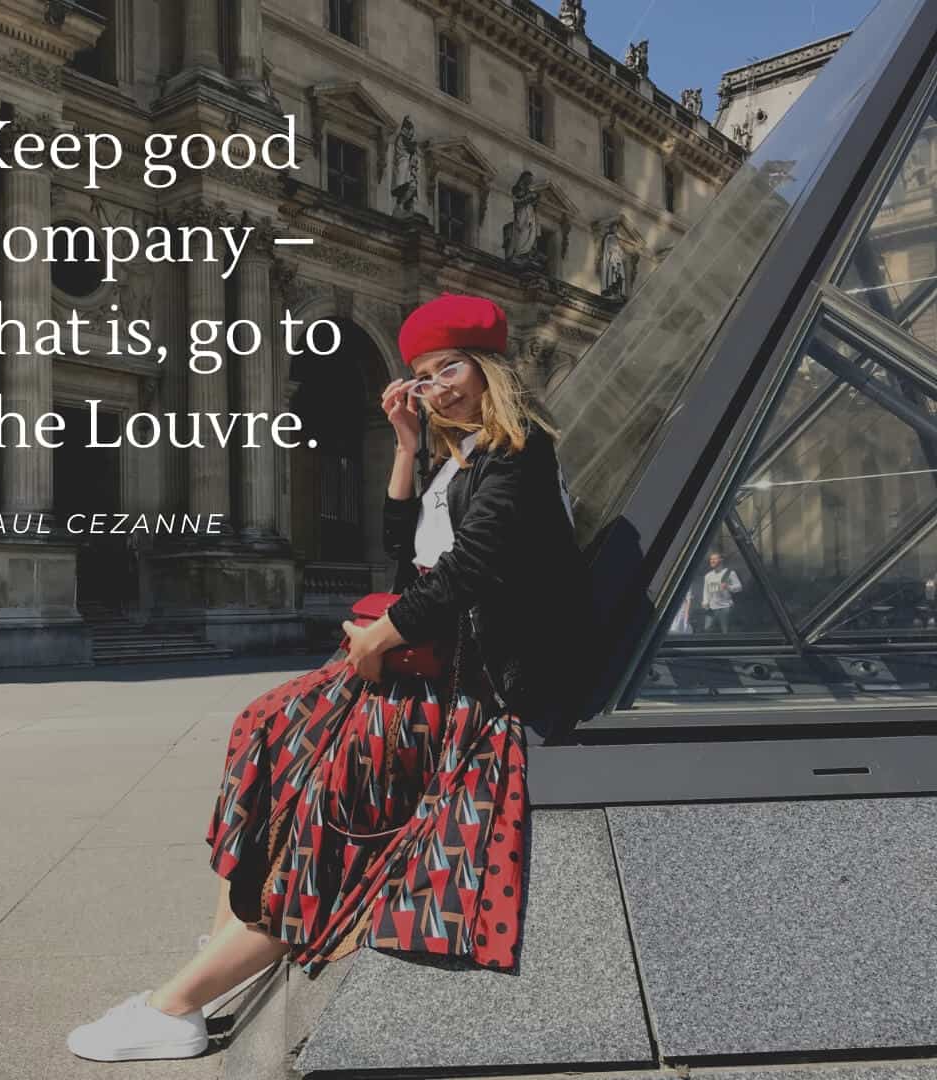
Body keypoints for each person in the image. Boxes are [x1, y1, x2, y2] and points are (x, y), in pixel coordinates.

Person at [66, 293, 591, 1063]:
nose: (438, 386)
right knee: (266, 730)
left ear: (487, 368)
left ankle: (176, 1006)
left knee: (325, 806)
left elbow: (472, 570)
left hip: (464, 687)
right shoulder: (459, 456)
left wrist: (378, 636)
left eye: (450, 369)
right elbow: (401, 549)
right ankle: (223, 946)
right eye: (422, 376)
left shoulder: (519, 449)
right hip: (417, 660)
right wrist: (407, 447)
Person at [701, 550, 742, 634]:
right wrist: (705, 602)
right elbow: (706, 591)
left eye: (714, 559)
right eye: (710, 559)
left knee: (725, 631)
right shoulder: (708, 576)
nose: (712, 561)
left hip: (725, 607)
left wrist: (728, 587)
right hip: (711, 608)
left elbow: (739, 587)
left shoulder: (729, 573)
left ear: (721, 560)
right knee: (707, 629)